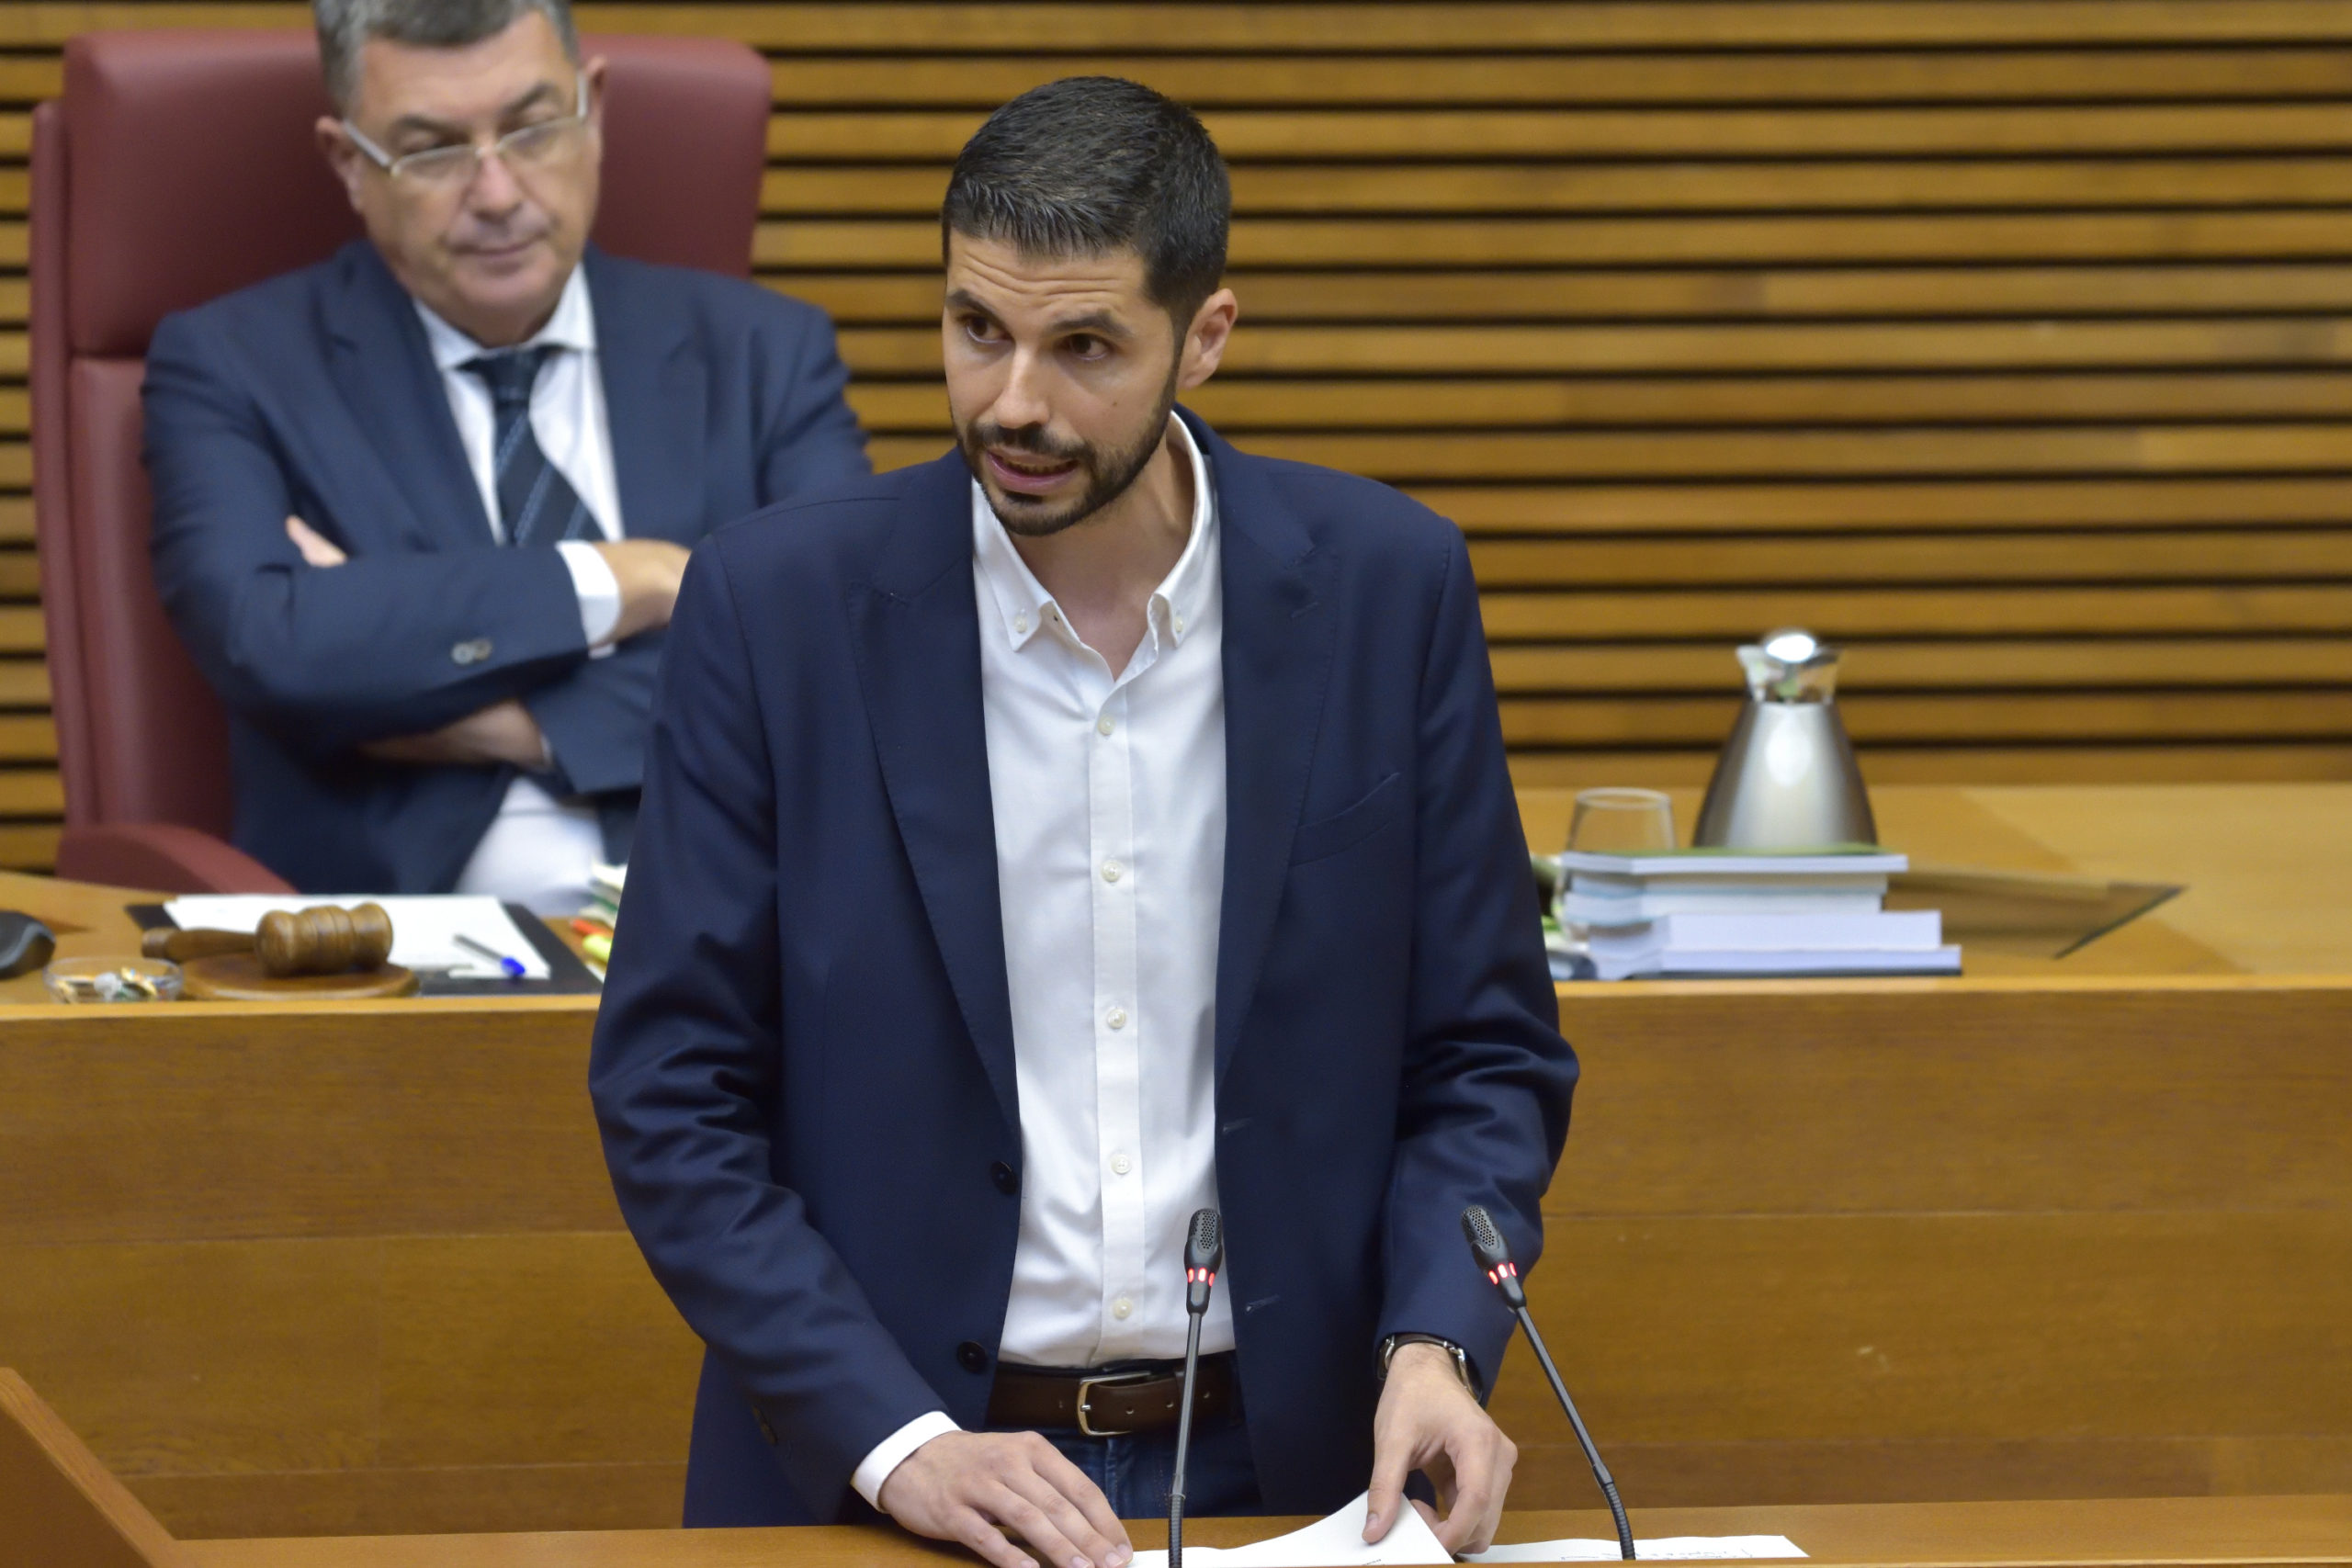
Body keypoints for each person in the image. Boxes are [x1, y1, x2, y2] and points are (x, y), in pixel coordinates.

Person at [589, 77, 1576, 1564]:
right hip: (891, 1480)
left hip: (1290, 1478)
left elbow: (1484, 1053)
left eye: (1085, 346)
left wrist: (1438, 1336)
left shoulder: (1390, 589)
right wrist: (896, 1440)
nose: (1013, 401)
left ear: (1208, 338)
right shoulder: (775, 608)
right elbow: (673, 1087)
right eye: (976, 329)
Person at [141, 0, 868, 908]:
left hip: (737, 943)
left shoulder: (764, 356)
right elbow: (273, 645)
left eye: (531, 130)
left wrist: (499, 720)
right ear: (349, 164)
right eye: (434, 150)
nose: (496, 195)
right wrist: (629, 581)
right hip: (402, 976)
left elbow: (838, 667)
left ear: (593, 109)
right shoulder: (233, 366)